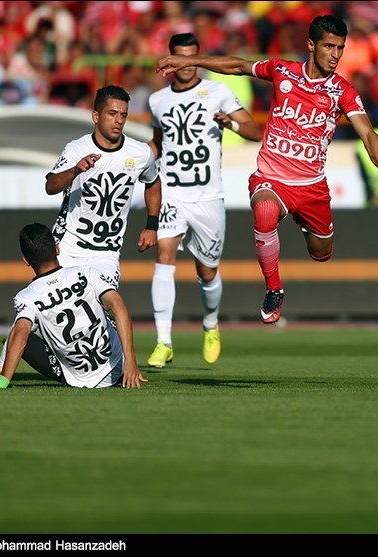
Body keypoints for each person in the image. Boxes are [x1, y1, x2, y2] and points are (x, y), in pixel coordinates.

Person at [156, 14, 378, 324]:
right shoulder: (282, 70)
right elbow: (238, 66)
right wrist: (188, 62)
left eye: (340, 48)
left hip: (312, 187)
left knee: (321, 253)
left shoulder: (343, 91)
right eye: (329, 47)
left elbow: (368, 133)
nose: (336, 55)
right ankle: (274, 289)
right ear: (311, 45)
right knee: (264, 211)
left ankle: (307, 228)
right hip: (271, 178)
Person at [0, 85, 161, 382]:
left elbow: (153, 182)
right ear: (96, 116)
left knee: (104, 312)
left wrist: (152, 224)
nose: (118, 120)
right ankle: (1, 370)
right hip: (67, 246)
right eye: (112, 114)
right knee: (40, 306)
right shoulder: (77, 149)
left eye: (123, 115)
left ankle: (116, 367)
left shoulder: (140, 152)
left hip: (105, 252)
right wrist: (76, 171)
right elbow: (51, 185)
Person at [146, 33, 262, 368]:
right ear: (170, 59)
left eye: (190, 57)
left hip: (208, 195)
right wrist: (137, 161)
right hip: (172, 192)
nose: (183, 65)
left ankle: (210, 324)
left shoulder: (218, 92)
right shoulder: (157, 101)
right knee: (164, 254)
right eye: (178, 57)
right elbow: (159, 143)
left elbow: (254, 130)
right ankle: (163, 341)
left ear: (197, 58)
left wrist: (232, 124)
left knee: (207, 271)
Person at [0, 223, 147, 389]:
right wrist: (130, 362)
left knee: (16, 335)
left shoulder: (26, 297)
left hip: (78, 381)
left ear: (26, 261)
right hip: (119, 368)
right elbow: (118, 304)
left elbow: (21, 332)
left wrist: (3, 382)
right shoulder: (86, 272)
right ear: (57, 249)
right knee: (109, 312)